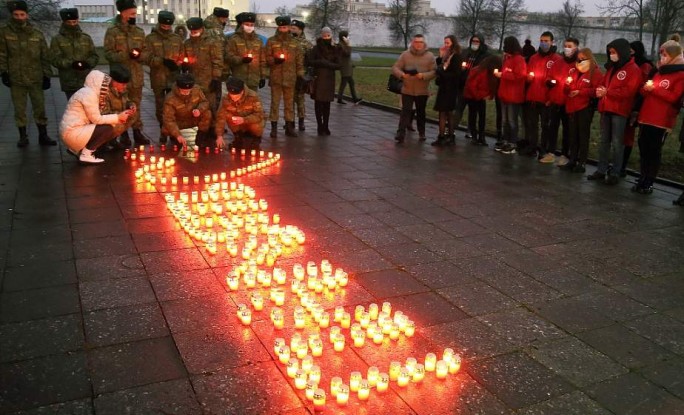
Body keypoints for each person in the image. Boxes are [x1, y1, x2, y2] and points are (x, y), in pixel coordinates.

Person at [0, 0, 55, 147]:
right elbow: (2, 54)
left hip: (35, 78)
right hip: (16, 78)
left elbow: (44, 56)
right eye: (16, 15)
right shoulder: (4, 33)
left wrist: (46, 75)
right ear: (12, 15)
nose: (19, 17)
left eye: (22, 14)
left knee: (40, 107)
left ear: (27, 15)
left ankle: (43, 135)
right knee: (20, 109)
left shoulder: (36, 34)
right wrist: (3, 72)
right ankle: (23, 136)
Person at [632, 38, 684, 194]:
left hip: (661, 120)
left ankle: (649, 181)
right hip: (646, 116)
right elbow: (647, 90)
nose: (662, 57)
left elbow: (674, 97)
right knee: (644, 149)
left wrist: (654, 90)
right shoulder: (659, 71)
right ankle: (642, 177)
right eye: (661, 54)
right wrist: (645, 89)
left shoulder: (680, 74)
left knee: (654, 151)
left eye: (665, 54)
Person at [587, 38, 642, 185]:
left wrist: (607, 92)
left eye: (614, 52)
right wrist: (599, 90)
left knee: (618, 143)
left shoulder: (633, 69)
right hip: (606, 108)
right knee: (604, 141)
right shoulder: (612, 68)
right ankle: (601, 169)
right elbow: (603, 83)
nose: (611, 55)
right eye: (610, 52)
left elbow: (628, 91)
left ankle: (615, 172)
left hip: (619, 110)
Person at [60, 69, 136, 164]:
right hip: (71, 133)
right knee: (107, 128)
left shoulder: (88, 93)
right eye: (104, 84)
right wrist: (118, 117)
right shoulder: (88, 95)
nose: (106, 87)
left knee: (107, 126)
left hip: (73, 131)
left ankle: (79, 149)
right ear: (99, 83)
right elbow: (97, 119)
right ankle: (86, 154)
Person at [104, 0, 149, 147]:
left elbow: (147, 52)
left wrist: (139, 55)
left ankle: (137, 132)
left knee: (135, 105)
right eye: (132, 13)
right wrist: (125, 55)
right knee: (119, 106)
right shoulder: (112, 32)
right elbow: (108, 54)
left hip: (136, 77)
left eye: (135, 13)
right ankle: (122, 134)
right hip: (120, 78)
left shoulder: (139, 32)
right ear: (123, 13)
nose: (134, 16)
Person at [145, 10, 184, 144]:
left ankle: (173, 131)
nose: (166, 28)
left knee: (174, 105)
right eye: (163, 26)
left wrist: (178, 64)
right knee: (161, 107)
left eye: (168, 26)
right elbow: (146, 57)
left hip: (173, 78)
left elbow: (182, 56)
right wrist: (161, 61)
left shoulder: (176, 39)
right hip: (158, 78)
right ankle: (163, 130)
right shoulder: (151, 39)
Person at [183, 17, 223, 147]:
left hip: (209, 81)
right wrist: (184, 66)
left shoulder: (212, 42)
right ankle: (201, 131)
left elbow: (217, 61)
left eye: (196, 30)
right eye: (192, 30)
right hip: (194, 82)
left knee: (211, 107)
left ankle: (211, 131)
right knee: (197, 108)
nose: (194, 32)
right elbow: (185, 59)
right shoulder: (188, 43)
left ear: (202, 28)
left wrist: (216, 78)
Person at [561, 48, 603, 173]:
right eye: (578, 58)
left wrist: (580, 92)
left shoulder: (595, 73)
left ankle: (582, 162)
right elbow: (565, 88)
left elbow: (596, 90)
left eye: (583, 58)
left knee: (583, 135)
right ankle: (572, 159)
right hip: (572, 107)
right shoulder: (573, 71)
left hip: (585, 108)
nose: (580, 61)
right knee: (573, 135)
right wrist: (567, 87)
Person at [523, 31, 561, 158]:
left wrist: (551, 84)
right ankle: (532, 146)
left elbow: (557, 80)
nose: (544, 43)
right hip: (533, 96)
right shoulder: (534, 58)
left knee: (546, 126)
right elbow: (528, 74)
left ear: (552, 42)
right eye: (542, 41)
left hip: (546, 98)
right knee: (532, 124)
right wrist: (528, 77)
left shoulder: (556, 59)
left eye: (546, 41)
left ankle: (543, 149)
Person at [620, 40, 655, 177]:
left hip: (635, 104)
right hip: (625, 103)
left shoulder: (644, 66)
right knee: (621, 136)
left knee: (628, 136)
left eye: (632, 50)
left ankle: (623, 165)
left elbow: (641, 86)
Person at [541, 37, 579, 165]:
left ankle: (564, 154)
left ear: (576, 47)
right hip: (556, 100)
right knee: (553, 127)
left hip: (569, 102)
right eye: (565, 46)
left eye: (569, 46)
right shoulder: (559, 62)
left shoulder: (578, 63)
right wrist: (550, 82)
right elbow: (549, 76)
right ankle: (551, 152)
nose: (567, 48)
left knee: (567, 129)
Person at [392, 34, 436, 143]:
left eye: (421, 42)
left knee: (421, 112)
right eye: (416, 42)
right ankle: (400, 133)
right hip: (407, 88)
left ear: (424, 43)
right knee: (405, 112)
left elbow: (434, 72)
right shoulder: (405, 55)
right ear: (412, 42)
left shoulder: (430, 56)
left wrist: (423, 76)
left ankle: (422, 133)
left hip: (422, 90)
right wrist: (402, 75)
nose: (418, 44)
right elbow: (395, 67)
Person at [265, 16, 304, 138]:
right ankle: (274, 127)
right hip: (276, 78)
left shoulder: (294, 43)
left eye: (285, 27)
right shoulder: (272, 41)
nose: (283, 29)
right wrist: (274, 60)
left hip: (290, 78)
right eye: (281, 27)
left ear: (288, 27)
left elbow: (299, 61)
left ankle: (289, 126)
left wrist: (300, 76)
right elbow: (266, 58)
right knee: (275, 103)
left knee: (289, 104)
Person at [50, 8, 99, 100]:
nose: (72, 25)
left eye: (74, 22)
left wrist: (87, 63)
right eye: (69, 22)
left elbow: (94, 56)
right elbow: (54, 59)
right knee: (74, 109)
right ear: (64, 22)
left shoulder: (86, 38)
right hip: (69, 81)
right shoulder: (57, 39)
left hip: (86, 80)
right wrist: (71, 63)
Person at [494, 36, 526, 154]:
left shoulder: (519, 60)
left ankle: (512, 143)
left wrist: (503, 75)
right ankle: (506, 140)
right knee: (505, 120)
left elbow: (520, 76)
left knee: (512, 121)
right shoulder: (507, 59)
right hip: (505, 94)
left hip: (513, 96)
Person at [162, 73, 211, 149]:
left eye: (188, 90)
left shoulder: (197, 90)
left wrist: (199, 110)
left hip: (192, 118)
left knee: (207, 113)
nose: (186, 93)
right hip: (179, 122)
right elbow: (168, 120)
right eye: (184, 91)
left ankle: (200, 139)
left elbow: (205, 102)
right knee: (166, 128)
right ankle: (174, 138)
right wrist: (178, 135)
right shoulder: (170, 99)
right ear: (178, 88)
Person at [455, 34, 491, 138]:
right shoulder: (466, 52)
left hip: (475, 87)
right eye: (473, 41)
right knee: (459, 108)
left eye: (477, 42)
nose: (474, 43)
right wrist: (461, 69)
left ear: (481, 43)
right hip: (463, 85)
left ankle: (471, 131)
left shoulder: (485, 55)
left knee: (473, 111)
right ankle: (452, 128)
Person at [215, 77, 265, 150]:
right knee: (228, 115)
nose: (233, 99)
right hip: (238, 125)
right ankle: (238, 137)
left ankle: (256, 139)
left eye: (236, 97)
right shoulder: (226, 98)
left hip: (251, 123)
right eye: (232, 97)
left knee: (257, 123)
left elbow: (259, 115)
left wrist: (244, 119)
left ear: (242, 92)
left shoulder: (253, 97)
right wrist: (219, 136)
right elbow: (220, 117)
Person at [308, 27, 341, 136]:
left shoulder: (335, 48)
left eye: (328, 35)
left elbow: (339, 65)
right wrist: (320, 62)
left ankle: (326, 126)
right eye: (324, 35)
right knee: (318, 103)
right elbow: (309, 61)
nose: (326, 37)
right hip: (319, 78)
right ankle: (319, 126)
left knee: (327, 104)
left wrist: (327, 64)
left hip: (329, 79)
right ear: (321, 35)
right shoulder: (316, 48)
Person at [463, 55, 501, 147]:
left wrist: (488, 96)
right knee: (473, 115)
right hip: (472, 96)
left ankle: (481, 136)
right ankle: (475, 136)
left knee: (482, 116)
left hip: (480, 96)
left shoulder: (488, 72)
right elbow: (472, 86)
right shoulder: (478, 71)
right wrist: (481, 96)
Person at [431, 35, 461, 146]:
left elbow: (456, 73)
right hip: (443, 87)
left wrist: (442, 73)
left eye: (447, 43)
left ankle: (448, 136)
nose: (445, 45)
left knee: (447, 112)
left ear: (453, 43)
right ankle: (443, 136)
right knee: (443, 112)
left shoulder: (456, 56)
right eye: (445, 43)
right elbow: (440, 65)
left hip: (450, 88)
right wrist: (440, 55)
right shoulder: (446, 55)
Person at [225, 12, 266, 91]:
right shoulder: (234, 39)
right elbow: (228, 57)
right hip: (239, 79)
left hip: (253, 80)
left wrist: (263, 76)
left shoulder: (258, 40)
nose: (249, 27)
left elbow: (262, 60)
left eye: (251, 25)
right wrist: (241, 60)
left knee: (252, 102)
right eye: (247, 24)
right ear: (242, 24)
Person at [290, 19, 313, 131]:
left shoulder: (307, 44)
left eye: (294, 29)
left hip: (301, 76)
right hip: (289, 74)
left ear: (300, 30)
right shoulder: (288, 41)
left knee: (300, 99)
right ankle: (290, 121)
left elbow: (311, 60)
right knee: (289, 99)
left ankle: (301, 121)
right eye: (291, 28)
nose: (291, 30)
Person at [336, 30, 362, 105]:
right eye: (346, 36)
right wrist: (348, 44)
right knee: (345, 84)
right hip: (345, 69)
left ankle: (352, 99)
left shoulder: (342, 44)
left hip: (347, 68)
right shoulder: (341, 45)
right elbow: (347, 53)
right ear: (343, 37)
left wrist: (351, 64)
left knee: (349, 83)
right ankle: (353, 99)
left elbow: (347, 57)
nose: (348, 37)